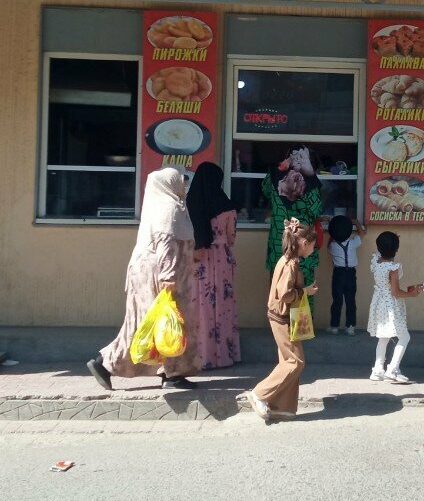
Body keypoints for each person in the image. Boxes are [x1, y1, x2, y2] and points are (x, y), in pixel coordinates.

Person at [87, 167, 200, 390]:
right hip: (158, 276)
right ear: (169, 184)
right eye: (179, 180)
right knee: (148, 324)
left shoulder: (171, 206)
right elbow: (165, 242)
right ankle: (106, 364)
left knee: (169, 324)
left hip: (167, 274)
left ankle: (173, 373)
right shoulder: (168, 208)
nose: (183, 185)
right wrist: (168, 276)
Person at [243, 218, 319, 422]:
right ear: (304, 244)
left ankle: (282, 407)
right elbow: (285, 294)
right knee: (295, 362)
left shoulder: (286, 260)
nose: (313, 249)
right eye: (313, 246)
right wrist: (305, 291)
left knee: (288, 361)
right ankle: (260, 393)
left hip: (283, 315)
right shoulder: (291, 264)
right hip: (282, 317)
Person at [186, 162, 241, 370]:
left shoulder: (190, 203)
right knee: (222, 305)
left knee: (198, 304)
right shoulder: (227, 206)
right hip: (221, 258)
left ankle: (196, 355)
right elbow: (231, 238)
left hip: (196, 259)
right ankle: (222, 356)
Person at [263, 147, 323, 309]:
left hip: (279, 243)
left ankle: (279, 320)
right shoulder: (311, 184)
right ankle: (302, 325)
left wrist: (280, 168)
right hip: (303, 243)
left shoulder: (273, 178)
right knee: (304, 282)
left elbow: (265, 190)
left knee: (280, 281)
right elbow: (316, 210)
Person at [368, 231, 422, 384]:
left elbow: (380, 249)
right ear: (397, 250)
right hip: (391, 305)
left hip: (378, 303)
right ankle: (393, 368)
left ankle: (377, 370)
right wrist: (412, 294)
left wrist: (390, 240)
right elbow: (396, 292)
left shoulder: (376, 262)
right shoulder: (393, 268)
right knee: (405, 337)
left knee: (383, 338)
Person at [324, 214, 366, 335]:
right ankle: (350, 327)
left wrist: (332, 232)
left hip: (338, 273)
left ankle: (334, 326)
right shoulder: (353, 243)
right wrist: (355, 222)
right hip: (351, 273)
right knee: (351, 300)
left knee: (337, 300)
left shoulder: (333, 246)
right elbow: (361, 232)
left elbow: (328, 245)